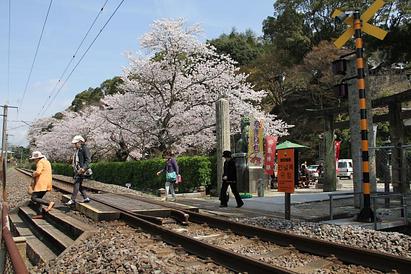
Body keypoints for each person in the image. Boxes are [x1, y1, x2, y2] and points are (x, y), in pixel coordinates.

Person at [66, 135, 91, 206]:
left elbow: (88, 160)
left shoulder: (84, 148)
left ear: (80, 142)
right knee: (79, 185)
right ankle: (86, 198)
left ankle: (72, 200)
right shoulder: (78, 150)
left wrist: (83, 168)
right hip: (77, 170)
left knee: (76, 183)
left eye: (76, 143)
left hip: (82, 170)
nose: (74, 145)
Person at [30, 151, 54, 219]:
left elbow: (38, 172)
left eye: (34, 159)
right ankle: (40, 214)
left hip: (42, 183)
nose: (34, 160)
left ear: (37, 158)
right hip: (47, 182)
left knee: (34, 198)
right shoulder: (47, 161)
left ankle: (49, 203)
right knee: (38, 198)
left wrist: (33, 174)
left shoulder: (40, 162)